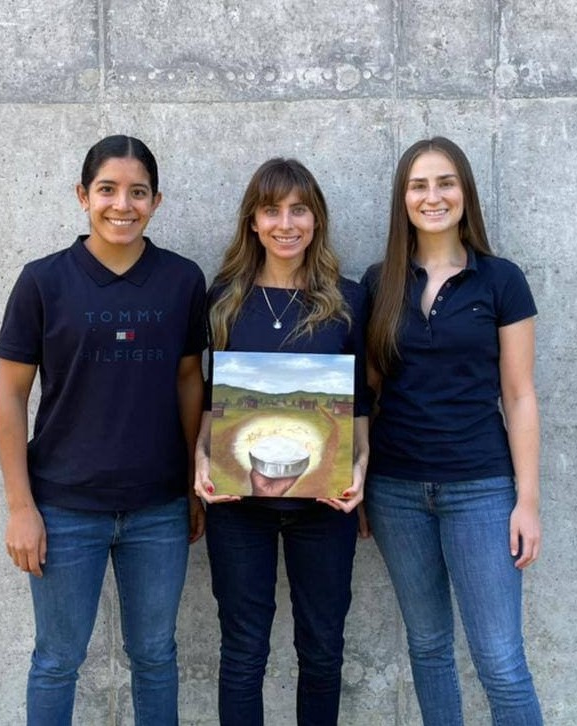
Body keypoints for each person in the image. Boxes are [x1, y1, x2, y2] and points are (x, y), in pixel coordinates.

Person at [0, 134, 206, 725]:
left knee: (156, 658)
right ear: (82, 195)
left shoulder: (183, 280)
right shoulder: (43, 281)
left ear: (156, 201)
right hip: (63, 508)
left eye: (138, 192)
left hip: (158, 509)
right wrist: (20, 506)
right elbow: (10, 396)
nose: (122, 205)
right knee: (58, 659)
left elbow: (191, 382)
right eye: (108, 190)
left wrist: (193, 484)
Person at [362, 137, 544, 725]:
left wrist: (528, 501)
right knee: (429, 648)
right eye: (419, 185)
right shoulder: (378, 283)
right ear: (403, 198)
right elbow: (367, 396)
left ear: (465, 193)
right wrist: (356, 481)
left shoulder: (500, 280)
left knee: (500, 661)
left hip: (482, 491)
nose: (432, 196)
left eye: (445, 183)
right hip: (395, 492)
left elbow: (518, 396)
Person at [194, 158, 370, 726]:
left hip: (324, 507)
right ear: (253, 221)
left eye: (299, 209)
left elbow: (360, 400)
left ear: (317, 219)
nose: (285, 223)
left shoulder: (347, 299)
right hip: (237, 509)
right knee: (243, 653)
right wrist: (201, 459)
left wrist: (361, 467)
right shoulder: (224, 297)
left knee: (321, 653)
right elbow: (209, 396)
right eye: (272, 210)